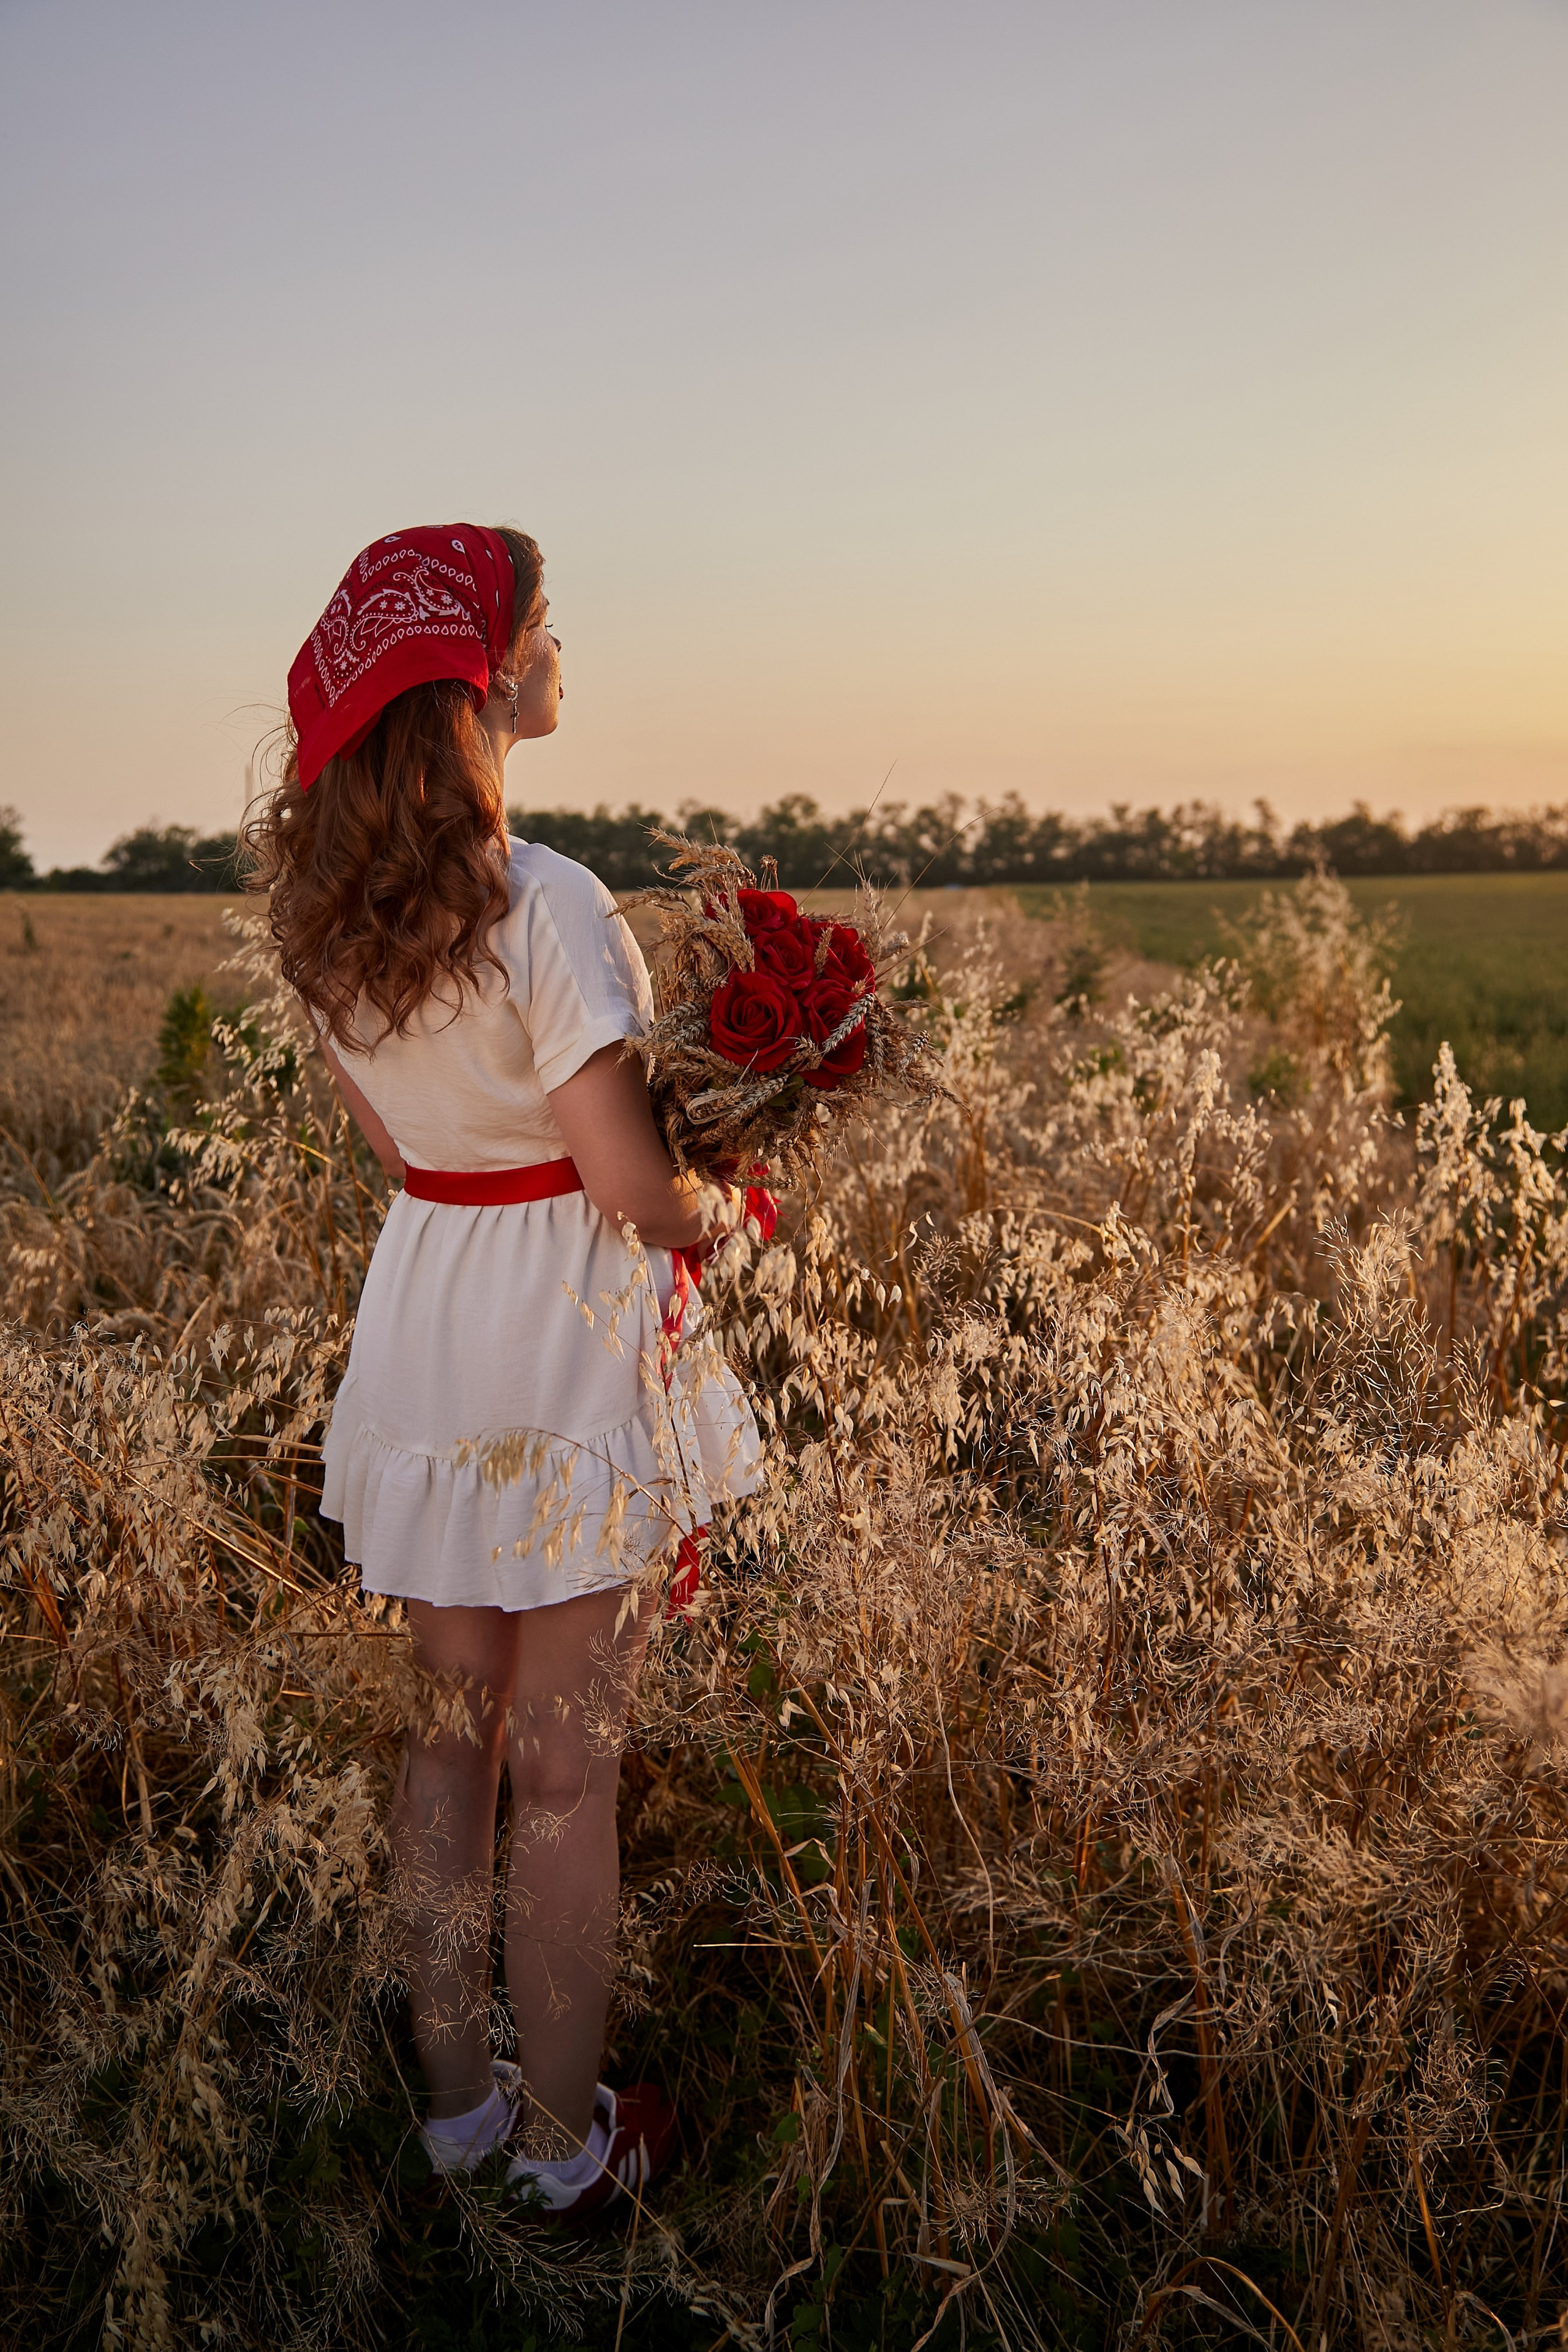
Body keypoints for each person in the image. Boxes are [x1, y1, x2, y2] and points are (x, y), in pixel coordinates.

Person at [244, 524, 760, 2218]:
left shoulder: (326, 920)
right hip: (558, 1328)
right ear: (484, 684)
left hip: (431, 1306)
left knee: (447, 1740)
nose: (564, 653)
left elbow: (406, 1141)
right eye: (548, 627)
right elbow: (621, 1181)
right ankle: (564, 2151)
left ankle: (460, 2111)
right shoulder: (550, 905)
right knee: (564, 1758)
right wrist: (732, 1210)